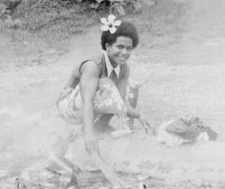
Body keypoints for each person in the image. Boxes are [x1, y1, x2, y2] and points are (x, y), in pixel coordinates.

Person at [56, 14, 155, 157]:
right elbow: (87, 101)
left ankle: (105, 127)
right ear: (108, 46)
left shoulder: (124, 68)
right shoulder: (93, 66)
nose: (124, 52)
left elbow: (120, 102)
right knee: (106, 85)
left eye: (129, 48)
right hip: (69, 108)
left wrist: (141, 115)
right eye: (120, 47)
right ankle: (89, 130)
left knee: (132, 86)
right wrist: (89, 135)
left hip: (90, 104)